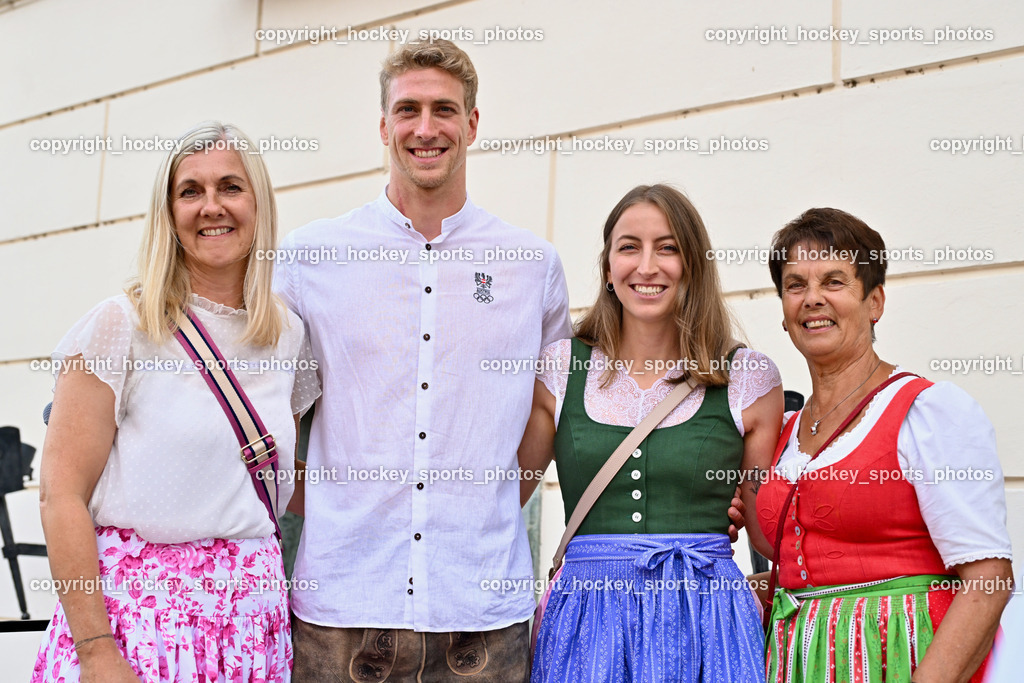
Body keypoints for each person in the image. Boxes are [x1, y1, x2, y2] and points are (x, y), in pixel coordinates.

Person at [273, 40, 571, 681]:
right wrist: (333, 503)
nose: (426, 128)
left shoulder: (533, 268)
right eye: (408, 109)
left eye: (445, 109)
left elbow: (545, 414)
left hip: (481, 614)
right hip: (342, 608)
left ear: (472, 123)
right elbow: (269, 415)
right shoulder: (310, 258)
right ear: (384, 126)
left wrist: (480, 502)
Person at [32, 121, 320, 682]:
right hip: (139, 628)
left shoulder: (288, 335)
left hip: (250, 629)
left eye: (231, 187)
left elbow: (277, 482)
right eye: (191, 191)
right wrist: (95, 651)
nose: (211, 206)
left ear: (258, 204)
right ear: (168, 214)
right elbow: (60, 496)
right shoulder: (123, 326)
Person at [521, 184, 783, 682]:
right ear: (607, 268)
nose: (647, 266)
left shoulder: (747, 377)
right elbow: (506, 492)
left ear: (694, 266)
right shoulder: (560, 368)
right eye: (629, 247)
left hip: (709, 617)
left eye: (668, 247)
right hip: (586, 618)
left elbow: (767, 529)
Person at [757, 208, 1013, 682]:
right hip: (794, 663)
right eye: (796, 285)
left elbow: (988, 584)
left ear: (875, 301)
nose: (812, 299)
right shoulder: (783, 429)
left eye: (834, 281)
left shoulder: (928, 411)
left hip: (899, 657)